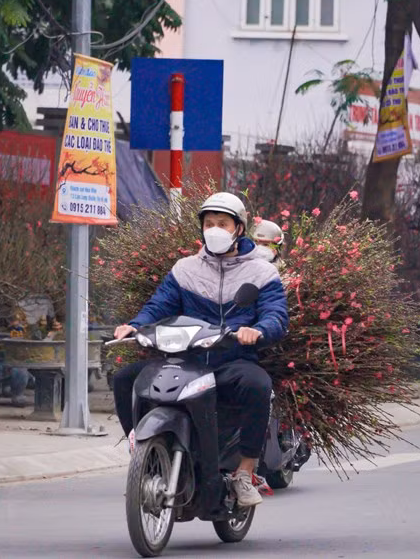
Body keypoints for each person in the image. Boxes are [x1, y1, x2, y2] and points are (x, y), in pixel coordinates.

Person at [112, 192, 289, 508]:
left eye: (223, 223)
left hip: (231, 360)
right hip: (186, 360)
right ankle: (141, 453)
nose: (215, 229)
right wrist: (135, 326)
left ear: (239, 228)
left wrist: (257, 330)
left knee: (258, 385)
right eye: (209, 224)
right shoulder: (185, 269)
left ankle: (245, 473)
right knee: (125, 379)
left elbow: (276, 314)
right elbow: (158, 305)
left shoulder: (262, 272)